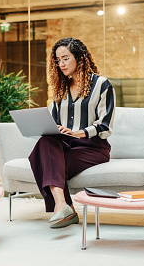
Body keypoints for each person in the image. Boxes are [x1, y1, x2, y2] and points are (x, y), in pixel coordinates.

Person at [29, 37, 115, 229]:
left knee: (43, 162)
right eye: (58, 60)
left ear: (79, 57)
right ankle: (63, 205)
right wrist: (53, 128)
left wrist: (79, 133)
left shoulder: (102, 85)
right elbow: (53, 125)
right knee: (45, 143)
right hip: (66, 146)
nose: (61, 64)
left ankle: (66, 209)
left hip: (93, 148)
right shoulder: (60, 90)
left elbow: (106, 125)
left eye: (65, 58)